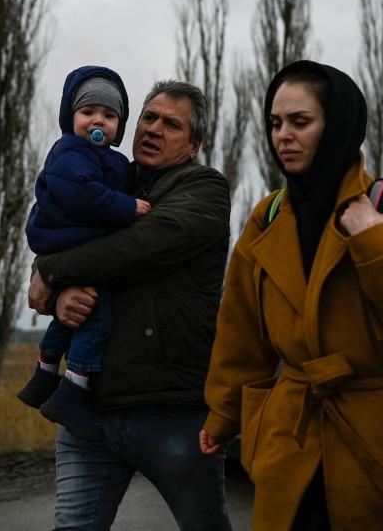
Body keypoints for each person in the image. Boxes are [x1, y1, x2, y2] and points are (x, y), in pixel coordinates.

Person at [199, 60, 383, 530]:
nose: (283, 135)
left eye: (300, 122)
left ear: (338, 124)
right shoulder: (267, 219)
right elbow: (240, 330)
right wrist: (222, 415)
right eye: (275, 123)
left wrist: (373, 241)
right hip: (294, 439)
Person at [28, 80, 232, 531]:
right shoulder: (106, 178)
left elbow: (138, 248)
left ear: (194, 144)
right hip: (89, 411)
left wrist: (52, 271)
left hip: (171, 409)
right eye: (149, 117)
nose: (155, 129)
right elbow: (55, 222)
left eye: (172, 124)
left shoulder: (204, 189)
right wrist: (55, 289)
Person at [17, 66, 151, 440]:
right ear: (70, 117)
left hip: (76, 243)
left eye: (110, 116)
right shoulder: (69, 151)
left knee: (72, 315)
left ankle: (45, 373)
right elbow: (81, 193)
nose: (99, 121)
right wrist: (128, 207)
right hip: (67, 239)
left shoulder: (111, 160)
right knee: (98, 313)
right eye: (88, 112)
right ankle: (73, 390)